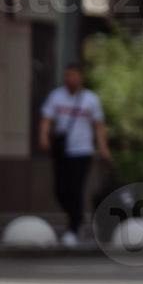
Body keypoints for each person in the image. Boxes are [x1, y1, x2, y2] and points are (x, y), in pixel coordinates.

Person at [38, 62, 111, 247]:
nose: (70, 78)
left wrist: (103, 147)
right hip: (62, 150)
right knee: (60, 190)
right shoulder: (56, 96)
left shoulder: (91, 99)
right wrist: (43, 137)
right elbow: (46, 119)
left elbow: (98, 126)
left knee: (76, 188)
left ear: (81, 77)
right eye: (67, 75)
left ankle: (73, 228)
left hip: (82, 150)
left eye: (73, 75)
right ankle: (77, 217)